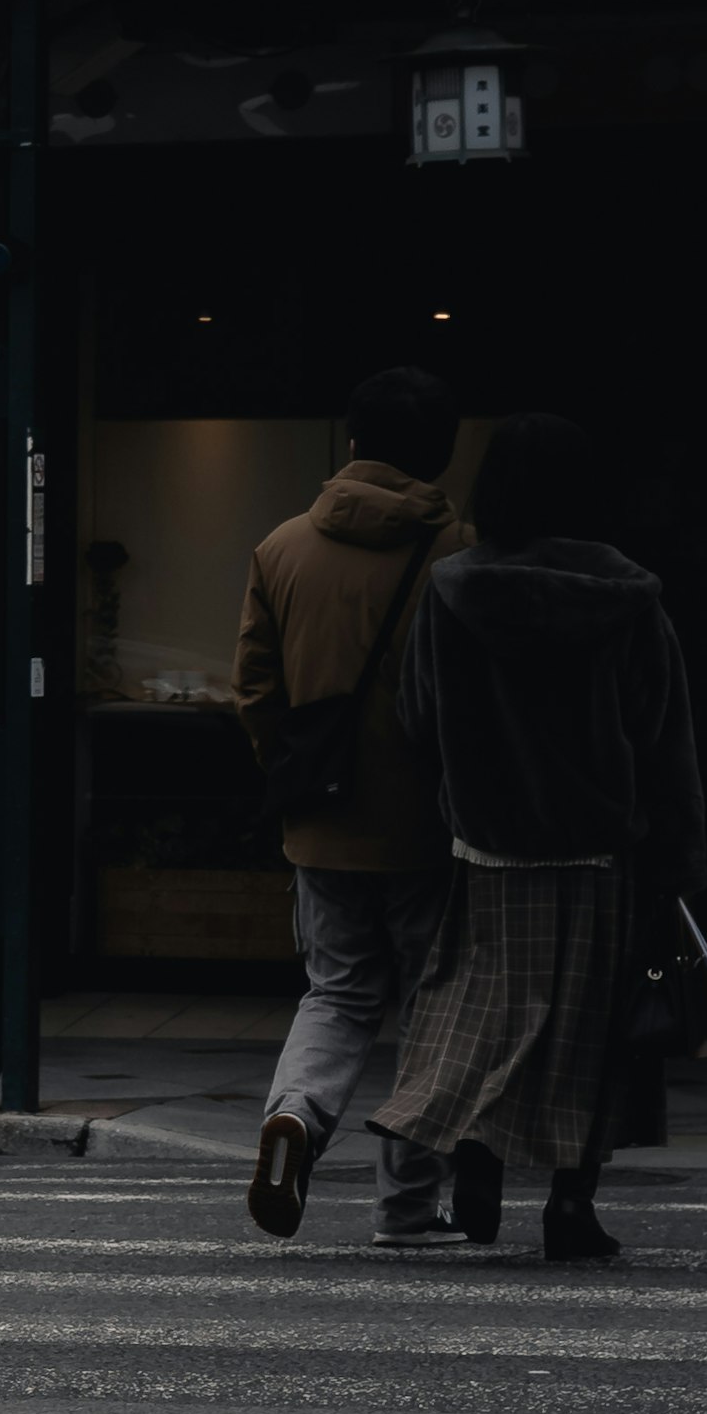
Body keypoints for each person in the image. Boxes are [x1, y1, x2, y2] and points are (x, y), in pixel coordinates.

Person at [376, 411, 706, 1266]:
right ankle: (570, 1205)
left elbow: (415, 717)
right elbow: (662, 737)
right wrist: (681, 856)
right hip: (600, 851)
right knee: (590, 1032)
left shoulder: (451, 591)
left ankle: (477, 1157)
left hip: (488, 849)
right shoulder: (630, 598)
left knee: (482, 1012)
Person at [234, 367, 463, 1244]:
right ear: (441, 452)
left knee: (336, 993)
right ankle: (408, 1205)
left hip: (322, 823)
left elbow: (254, 690)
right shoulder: (460, 553)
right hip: (431, 828)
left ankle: (295, 1114)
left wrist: (297, 779)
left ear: (353, 441)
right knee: (433, 1010)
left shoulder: (282, 547)